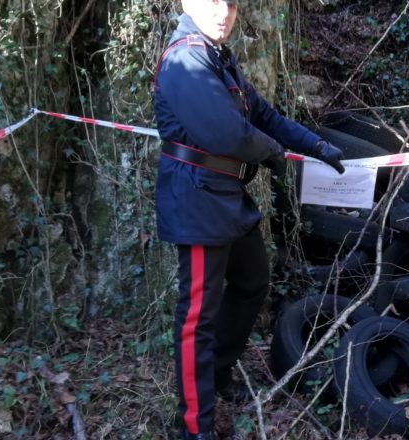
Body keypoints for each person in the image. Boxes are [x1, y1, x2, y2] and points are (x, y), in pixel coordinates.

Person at [152, 0, 346, 438]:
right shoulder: (185, 59)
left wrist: (316, 146)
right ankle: (194, 426)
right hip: (196, 201)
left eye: (232, 3)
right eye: (212, 1)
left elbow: (262, 115)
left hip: (226, 196)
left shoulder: (218, 57)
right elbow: (227, 134)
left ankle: (217, 373)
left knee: (252, 282)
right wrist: (274, 153)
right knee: (197, 318)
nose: (223, 12)